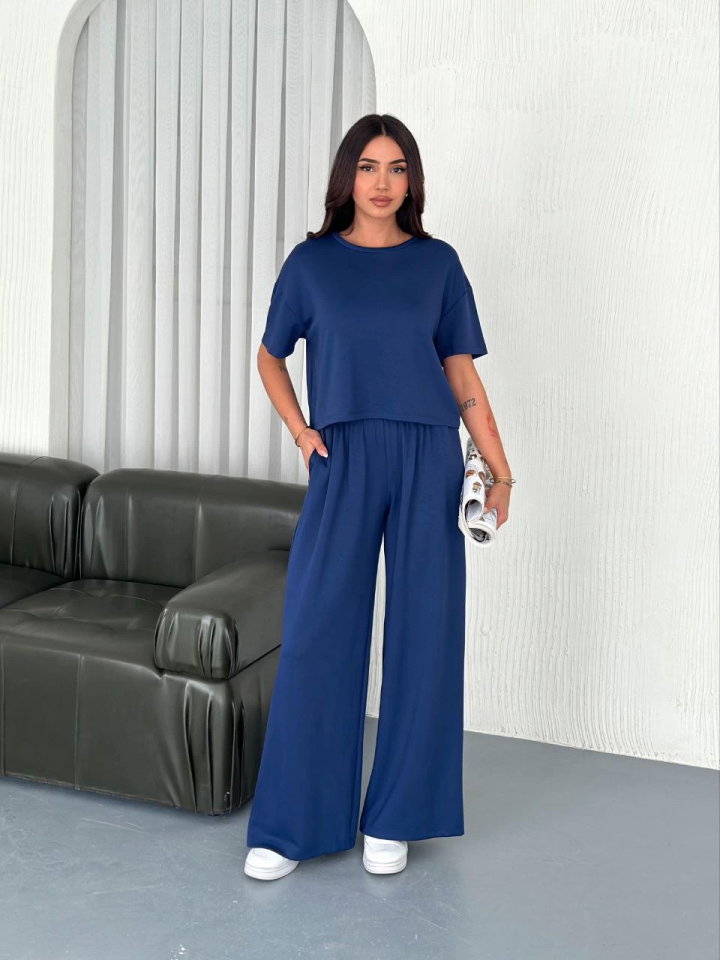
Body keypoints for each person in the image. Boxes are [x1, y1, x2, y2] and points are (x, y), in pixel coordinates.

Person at [244, 114, 513, 881]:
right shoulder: (311, 265)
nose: (383, 182)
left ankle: (397, 815)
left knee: (426, 632)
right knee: (317, 630)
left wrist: (500, 471)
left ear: (411, 181)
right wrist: (302, 431)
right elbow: (269, 357)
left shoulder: (438, 264)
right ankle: (292, 823)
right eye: (368, 166)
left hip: (429, 455)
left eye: (397, 168)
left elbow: (461, 375)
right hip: (343, 453)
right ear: (347, 177)